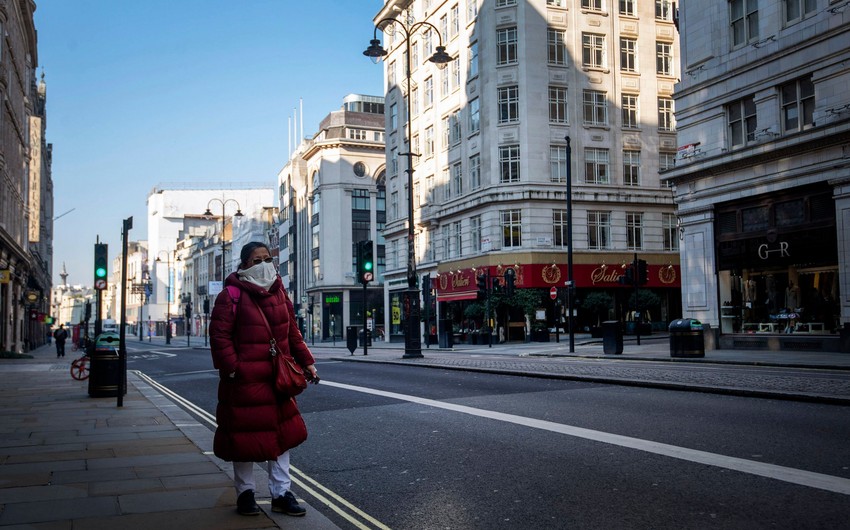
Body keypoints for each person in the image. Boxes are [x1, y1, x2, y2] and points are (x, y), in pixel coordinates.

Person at [209, 242, 319, 517]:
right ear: (244, 265)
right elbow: (219, 337)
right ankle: (245, 494)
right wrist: (234, 368)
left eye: (268, 258)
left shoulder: (280, 292)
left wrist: (307, 362)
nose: (264, 263)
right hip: (244, 382)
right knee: (244, 440)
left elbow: (292, 331)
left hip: (277, 380)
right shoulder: (230, 295)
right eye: (257, 259)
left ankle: (281, 493)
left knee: (282, 437)